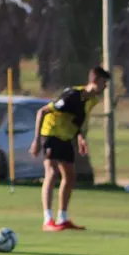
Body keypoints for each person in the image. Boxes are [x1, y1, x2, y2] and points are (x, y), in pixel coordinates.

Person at [31, 66, 111, 231]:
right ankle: (47, 220)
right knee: (52, 173)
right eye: (104, 82)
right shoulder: (71, 96)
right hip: (51, 133)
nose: (106, 87)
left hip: (66, 137)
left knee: (70, 176)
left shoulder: (92, 100)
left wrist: (81, 138)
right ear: (94, 81)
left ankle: (63, 218)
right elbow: (42, 112)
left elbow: (78, 120)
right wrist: (37, 140)